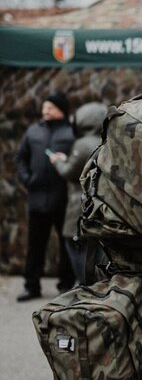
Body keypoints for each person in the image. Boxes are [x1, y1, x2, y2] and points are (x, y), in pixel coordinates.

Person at [15, 90, 76, 301]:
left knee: (66, 245)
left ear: (61, 110)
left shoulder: (71, 133)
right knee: (35, 245)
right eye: (44, 107)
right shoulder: (33, 131)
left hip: (63, 199)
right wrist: (27, 179)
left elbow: (77, 163)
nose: (45, 110)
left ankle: (65, 286)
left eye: (50, 107)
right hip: (37, 199)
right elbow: (21, 159)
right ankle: (31, 285)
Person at [49, 102, 107, 285]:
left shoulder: (82, 145)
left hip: (80, 208)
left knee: (76, 249)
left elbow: (69, 172)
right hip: (103, 207)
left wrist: (58, 161)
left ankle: (87, 287)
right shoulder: (108, 142)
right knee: (97, 252)